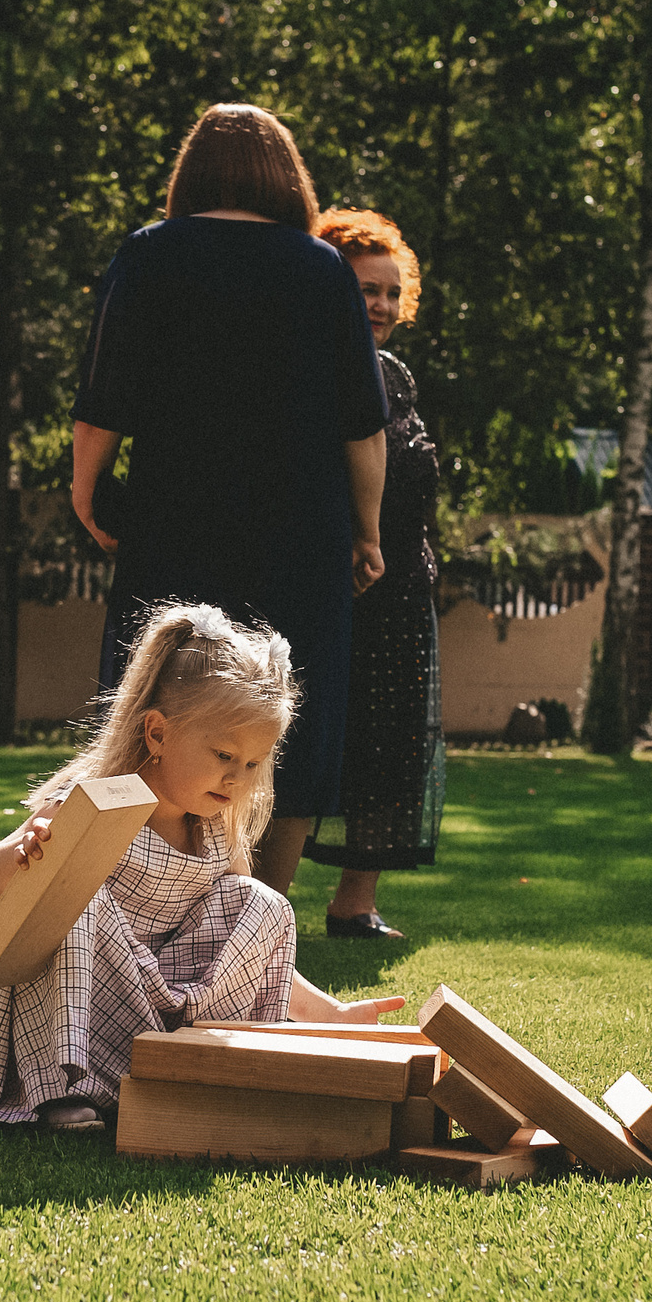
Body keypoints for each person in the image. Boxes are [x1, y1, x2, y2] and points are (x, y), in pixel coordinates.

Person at [0, 603, 403, 1130]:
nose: (237, 778)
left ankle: (199, 1059)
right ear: (158, 734)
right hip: (42, 1001)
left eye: (253, 764)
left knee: (264, 904)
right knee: (78, 894)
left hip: (141, 1001)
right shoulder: (95, 803)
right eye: (222, 755)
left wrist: (331, 1013)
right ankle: (60, 1088)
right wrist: (19, 856)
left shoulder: (217, 827)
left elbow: (254, 940)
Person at [70, 103, 388, 893]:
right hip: (300, 530)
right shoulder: (322, 270)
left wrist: (88, 492)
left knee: (155, 702)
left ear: (191, 173)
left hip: (176, 521)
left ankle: (136, 896)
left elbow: (100, 401)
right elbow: (363, 424)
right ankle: (262, 910)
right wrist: (367, 529)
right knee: (286, 713)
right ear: (288, 177)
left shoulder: (148, 257)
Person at [282, 209, 443, 939]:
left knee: (389, 747)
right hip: (335, 583)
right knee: (307, 741)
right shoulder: (308, 368)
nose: (377, 306)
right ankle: (261, 903)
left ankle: (356, 903)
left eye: (388, 292)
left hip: (403, 586)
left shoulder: (397, 378)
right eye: (363, 289)